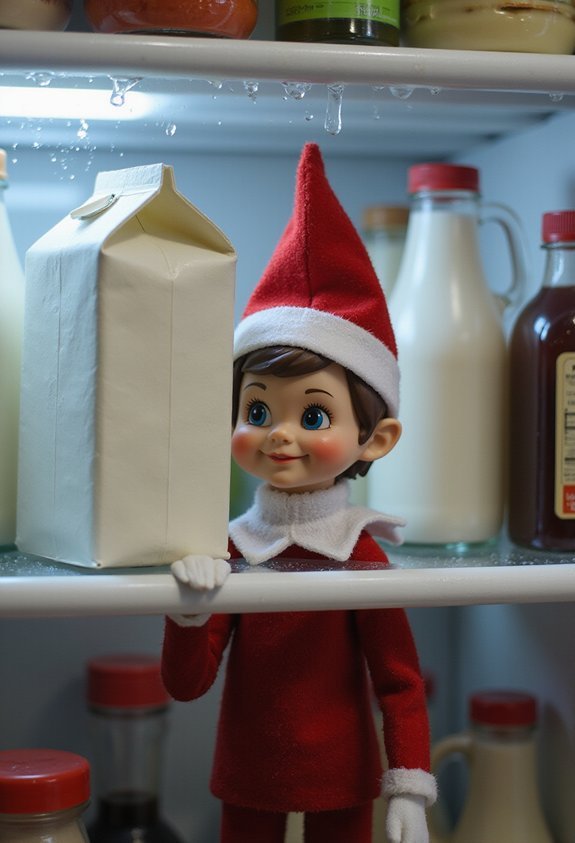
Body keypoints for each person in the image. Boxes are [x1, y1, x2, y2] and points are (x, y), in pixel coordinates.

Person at [161, 143, 436, 843]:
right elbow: (187, 683)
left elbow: (399, 680)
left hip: (342, 773)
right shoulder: (233, 545)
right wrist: (190, 609)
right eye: (257, 412)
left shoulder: (357, 555)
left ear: (374, 439)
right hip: (249, 769)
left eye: (312, 415)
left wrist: (407, 785)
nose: (278, 435)